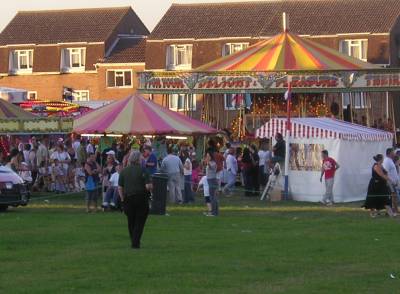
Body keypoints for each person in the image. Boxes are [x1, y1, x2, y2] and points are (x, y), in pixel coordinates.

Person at [118, 151, 152, 249]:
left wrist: (122, 199)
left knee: (131, 221)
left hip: (128, 198)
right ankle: (135, 242)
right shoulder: (143, 170)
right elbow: (147, 186)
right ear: (138, 159)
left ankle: (133, 239)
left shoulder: (124, 171)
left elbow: (120, 187)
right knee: (139, 221)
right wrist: (151, 186)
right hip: (141, 198)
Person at [382, 148, 399, 215]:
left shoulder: (390, 160)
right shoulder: (387, 161)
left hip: (393, 182)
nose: (394, 153)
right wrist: (391, 181)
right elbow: (385, 173)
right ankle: (394, 211)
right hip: (390, 182)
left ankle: (395, 210)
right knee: (393, 196)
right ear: (390, 153)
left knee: (394, 196)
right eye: (393, 152)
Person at [204, 151, 218, 216]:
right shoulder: (210, 163)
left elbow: (211, 167)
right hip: (210, 180)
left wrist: (207, 162)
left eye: (208, 156)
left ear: (211, 157)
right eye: (206, 156)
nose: (207, 157)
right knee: (212, 197)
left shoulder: (213, 163)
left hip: (212, 180)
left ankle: (213, 212)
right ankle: (215, 212)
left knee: (213, 197)